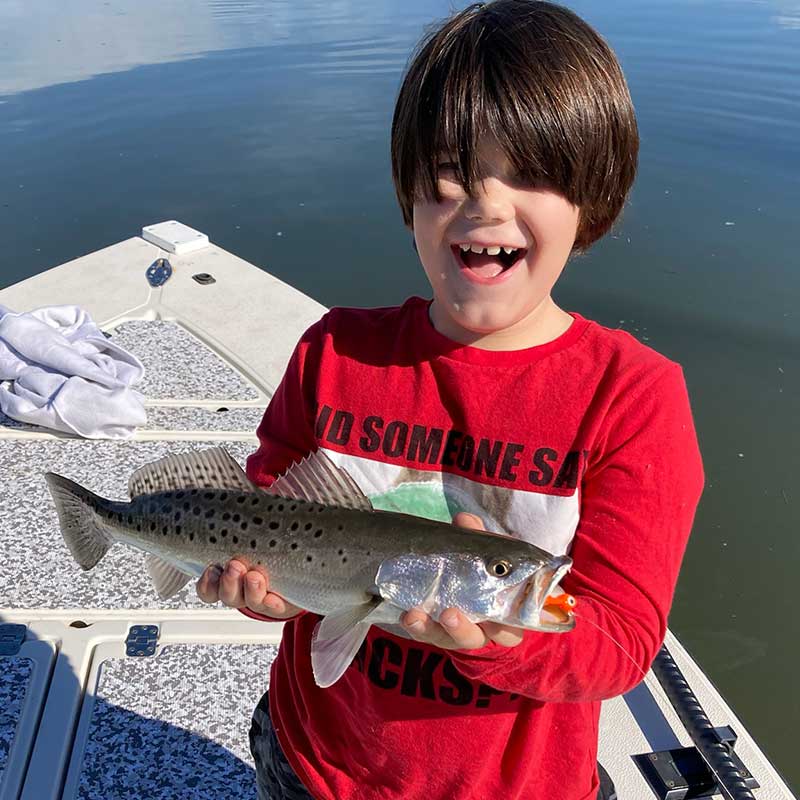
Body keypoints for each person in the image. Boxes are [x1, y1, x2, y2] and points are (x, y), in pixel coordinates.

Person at [196, 1, 704, 798]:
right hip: (312, 764)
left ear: (592, 200)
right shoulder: (333, 351)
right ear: (408, 194)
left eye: (532, 174)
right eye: (450, 174)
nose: (486, 205)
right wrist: (258, 595)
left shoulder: (633, 398)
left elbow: (620, 638)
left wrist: (497, 637)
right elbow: (266, 523)